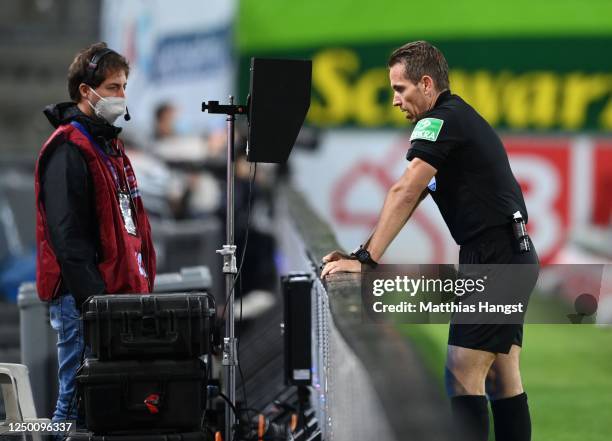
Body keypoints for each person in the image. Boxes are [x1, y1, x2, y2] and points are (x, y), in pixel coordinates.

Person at [321, 41, 539, 441]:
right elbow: (413, 194)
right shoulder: (455, 118)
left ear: (425, 84)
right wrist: (361, 253)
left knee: (462, 373)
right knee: (501, 378)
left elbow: (404, 190)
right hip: (505, 252)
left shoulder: (439, 120)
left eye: (400, 89)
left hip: (497, 257)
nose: (394, 101)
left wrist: (367, 260)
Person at [34, 42, 156, 423]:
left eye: (123, 87)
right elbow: (67, 238)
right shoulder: (68, 149)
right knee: (73, 405)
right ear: (86, 91)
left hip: (109, 296)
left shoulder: (106, 145)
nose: (121, 96)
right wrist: (96, 304)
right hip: (82, 302)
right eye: (112, 88)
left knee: (98, 404)